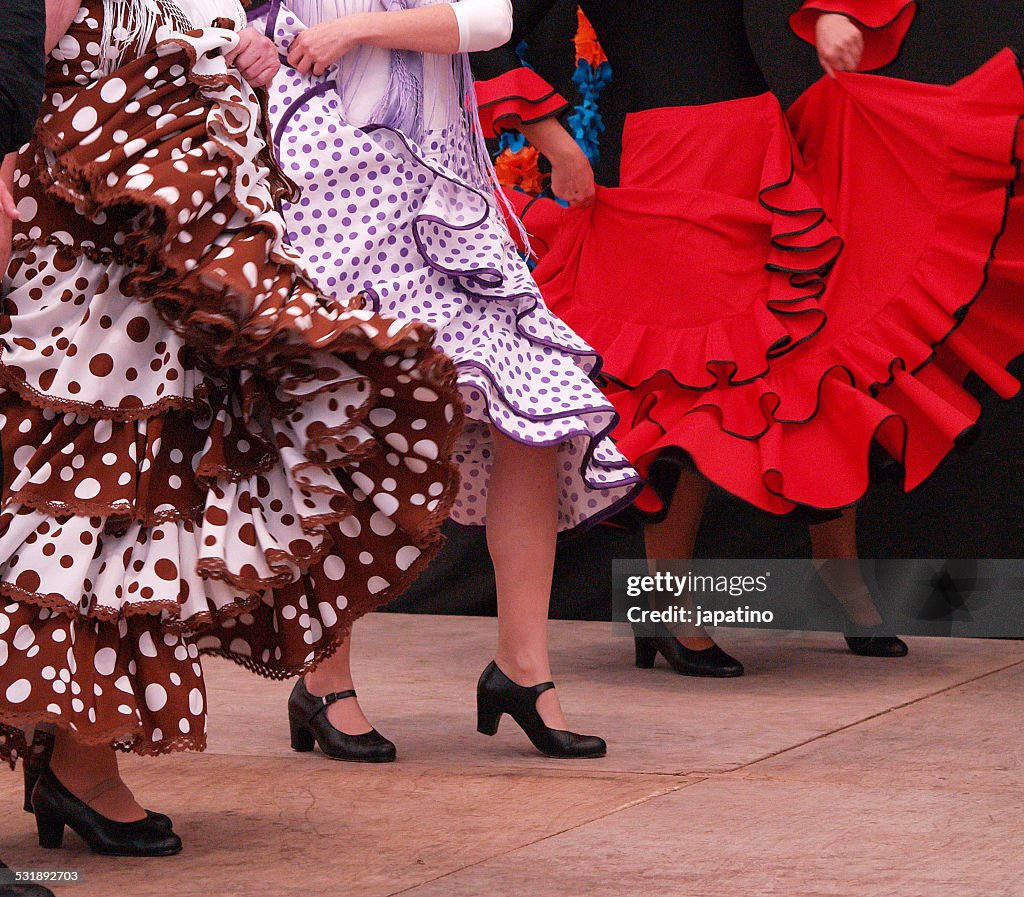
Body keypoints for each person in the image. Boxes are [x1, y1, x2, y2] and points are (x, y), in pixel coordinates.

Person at [0, 0, 464, 856]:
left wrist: (234, 50)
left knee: (136, 503)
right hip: (81, 274)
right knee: (73, 498)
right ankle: (75, 762)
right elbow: (17, 68)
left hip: (161, 280)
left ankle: (78, 754)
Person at [472, 0, 1024, 674]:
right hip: (666, 167)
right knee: (693, 390)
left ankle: (838, 579)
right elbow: (485, 37)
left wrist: (825, 18)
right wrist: (556, 146)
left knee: (817, 364)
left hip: (761, 150)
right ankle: (665, 603)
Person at [244, 0, 641, 761]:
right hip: (327, 168)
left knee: (534, 406)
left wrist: (356, 29)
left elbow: (491, 19)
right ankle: (326, 677)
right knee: (348, 412)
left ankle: (523, 667)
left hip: (440, 177)